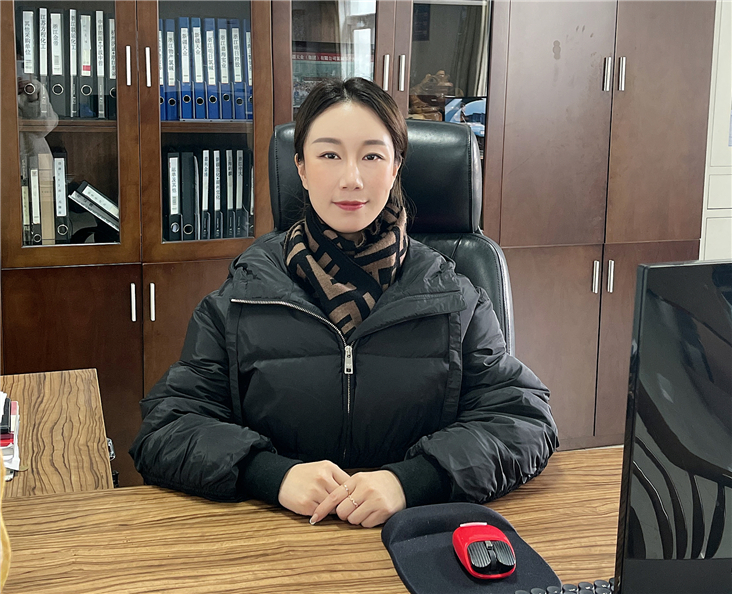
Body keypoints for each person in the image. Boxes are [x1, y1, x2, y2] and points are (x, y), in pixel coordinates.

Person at [130, 77, 558, 528]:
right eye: (329, 155)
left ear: (396, 167)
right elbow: (167, 427)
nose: (351, 179)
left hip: (413, 533)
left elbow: (523, 420)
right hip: (278, 536)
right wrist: (271, 474)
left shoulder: (455, 297)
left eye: (372, 156)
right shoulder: (242, 295)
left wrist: (413, 480)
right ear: (300, 167)